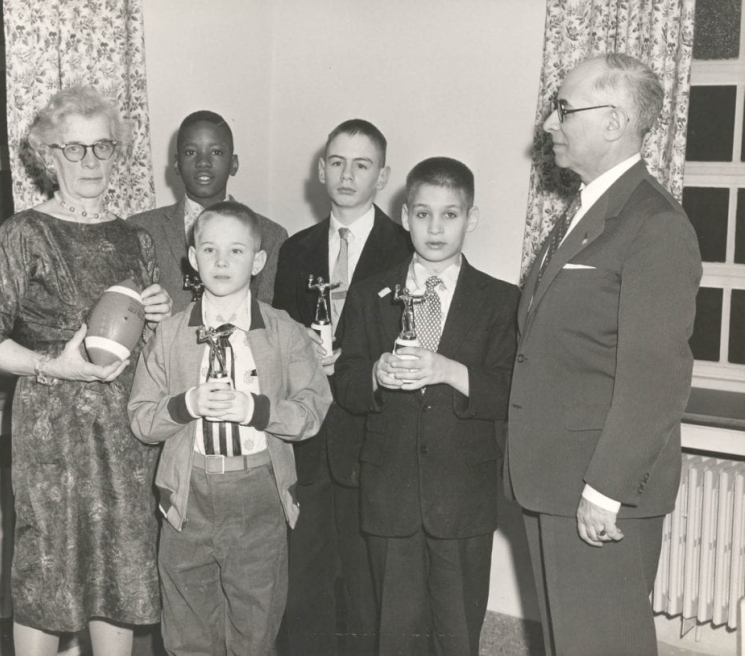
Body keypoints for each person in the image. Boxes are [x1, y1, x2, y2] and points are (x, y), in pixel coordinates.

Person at [505, 53, 702, 656]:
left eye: (564, 108)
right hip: (554, 477)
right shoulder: (588, 208)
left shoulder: (655, 223)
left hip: (596, 490)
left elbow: (656, 375)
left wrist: (605, 490)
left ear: (614, 122)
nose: (548, 123)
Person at [0, 85, 172, 656]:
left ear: (117, 155)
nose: (89, 162)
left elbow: (143, 345)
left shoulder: (135, 239)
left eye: (101, 148)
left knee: (120, 566)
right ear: (48, 155)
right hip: (51, 425)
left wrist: (157, 317)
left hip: (125, 431)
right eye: (73, 149)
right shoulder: (23, 233)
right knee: (48, 570)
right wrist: (54, 366)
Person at [128, 201, 332, 655]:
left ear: (258, 261)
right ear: (192, 258)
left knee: (255, 623)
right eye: (210, 250)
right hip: (188, 493)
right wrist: (185, 405)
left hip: (257, 490)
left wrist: (256, 410)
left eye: (236, 251)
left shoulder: (283, 331)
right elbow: (141, 418)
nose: (221, 262)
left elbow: (312, 410)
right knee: (186, 625)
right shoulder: (171, 334)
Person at [335, 157, 519, 655]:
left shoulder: (503, 301)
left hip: (463, 498)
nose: (435, 228)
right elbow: (345, 382)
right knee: (394, 633)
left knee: (458, 635)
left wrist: (448, 371)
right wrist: (374, 373)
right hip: (390, 491)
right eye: (422, 214)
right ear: (405, 213)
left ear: (471, 218)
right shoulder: (371, 293)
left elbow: (511, 393)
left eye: (450, 215)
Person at [272, 119, 412, 654]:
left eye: (362, 164)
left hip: (372, 437)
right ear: (320, 169)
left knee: (366, 583)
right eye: (336, 162)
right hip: (308, 437)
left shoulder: (406, 248)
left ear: (383, 176)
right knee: (303, 578)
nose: (347, 174)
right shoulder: (297, 249)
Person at [130, 110, 287, 311]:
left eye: (216, 152)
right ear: (177, 164)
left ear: (234, 164)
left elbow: (270, 320)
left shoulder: (271, 236)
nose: (203, 162)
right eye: (190, 152)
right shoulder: (141, 229)